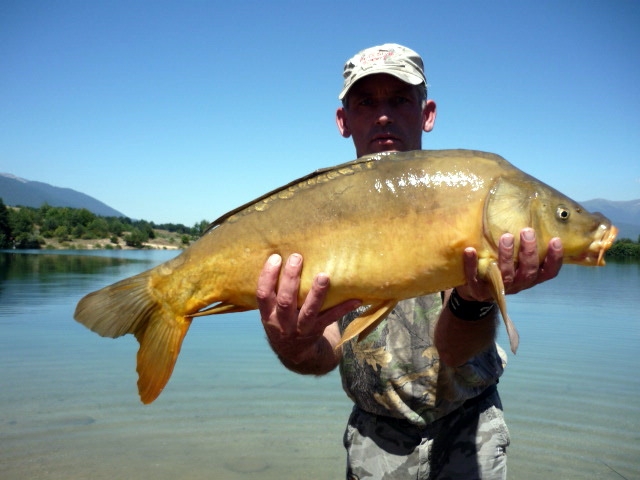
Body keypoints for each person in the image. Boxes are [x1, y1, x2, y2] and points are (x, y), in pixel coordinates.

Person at [256, 44, 563, 480]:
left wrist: (474, 300)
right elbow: (322, 356)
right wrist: (292, 343)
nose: (383, 116)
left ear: (427, 113)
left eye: (400, 99)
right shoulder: (314, 216)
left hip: (470, 431)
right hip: (373, 441)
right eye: (366, 102)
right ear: (344, 120)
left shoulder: (464, 199)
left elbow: (455, 352)